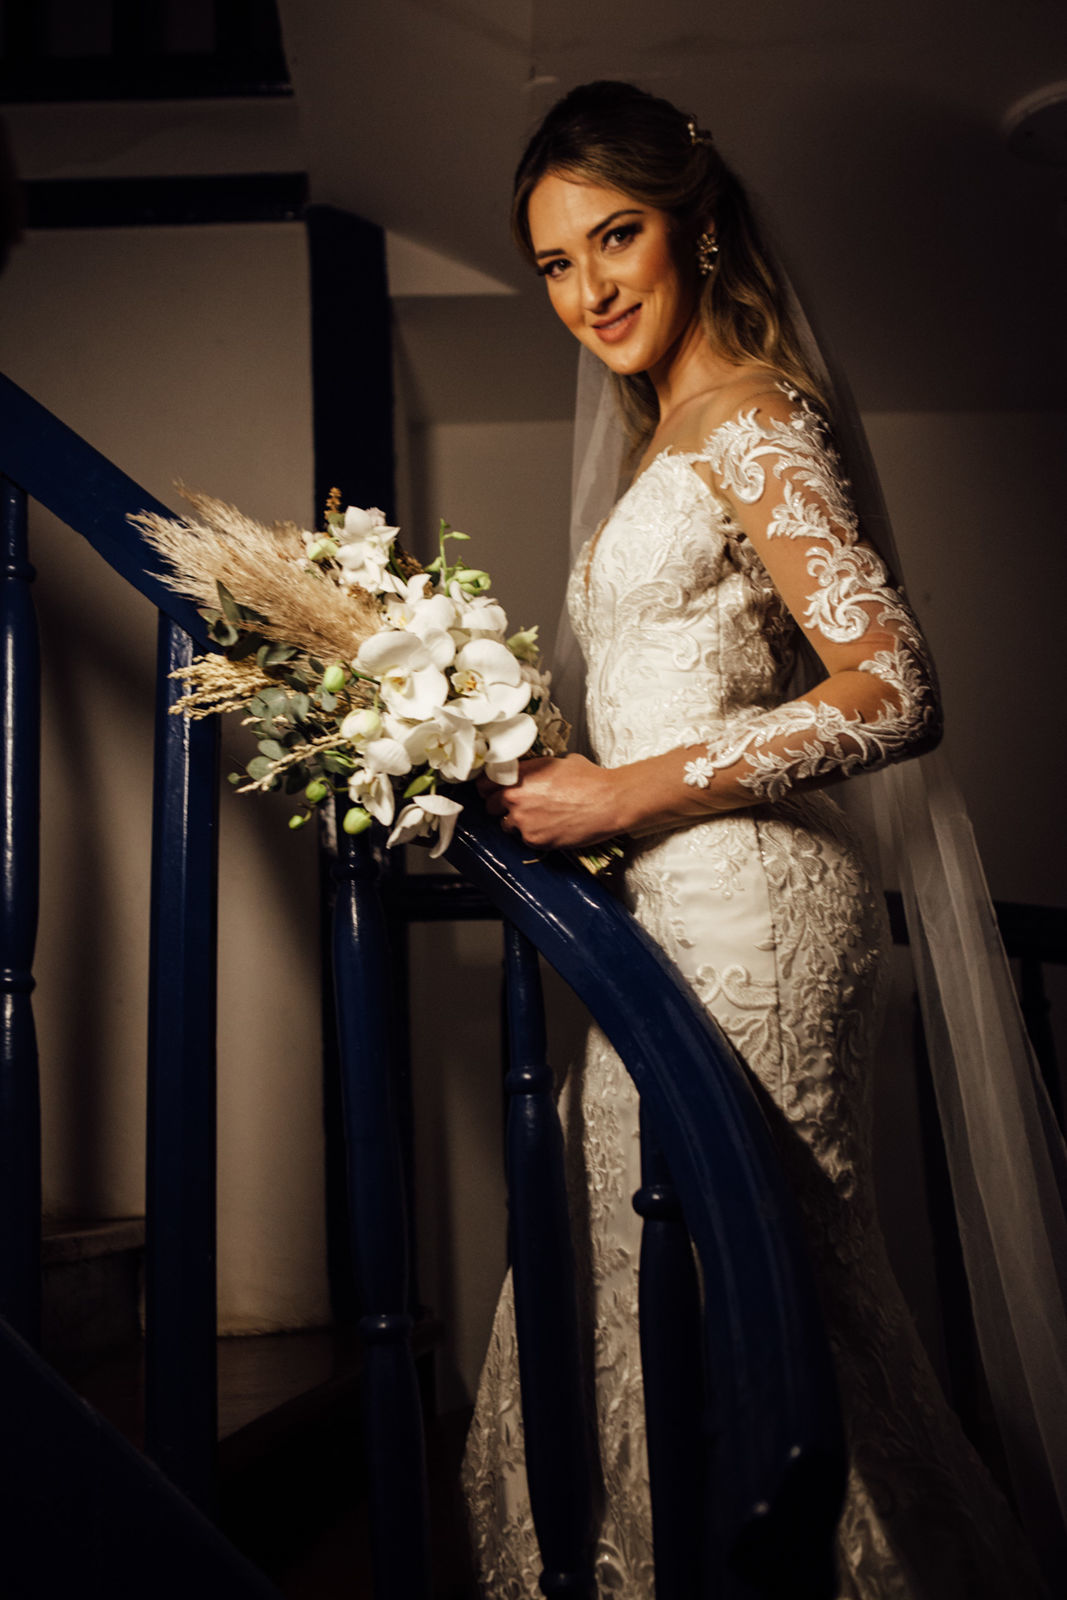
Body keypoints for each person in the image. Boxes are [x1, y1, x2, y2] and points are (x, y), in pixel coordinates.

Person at [461, 80, 1055, 1598]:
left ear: (696, 224)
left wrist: (629, 791)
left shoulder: (754, 416)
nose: (588, 289)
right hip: (675, 908)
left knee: (741, 1275)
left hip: (756, 919)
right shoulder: (675, 431)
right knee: (667, 1268)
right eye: (554, 263)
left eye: (616, 236)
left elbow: (897, 688)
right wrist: (561, 778)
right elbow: (701, 686)